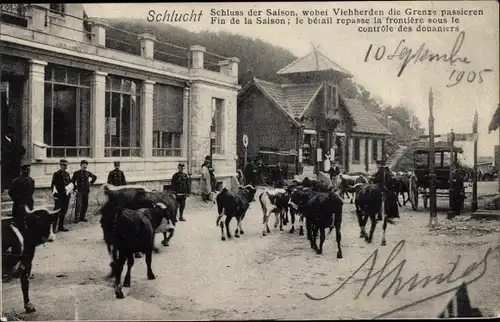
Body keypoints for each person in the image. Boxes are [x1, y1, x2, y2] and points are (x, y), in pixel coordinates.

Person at [8, 161, 35, 235]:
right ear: (22, 170)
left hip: (29, 205)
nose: (27, 171)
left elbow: (32, 190)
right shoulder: (16, 181)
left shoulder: (31, 180)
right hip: (19, 206)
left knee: (28, 221)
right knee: (19, 222)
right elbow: (10, 193)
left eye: (29, 170)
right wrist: (18, 200)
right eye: (26, 170)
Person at [1, 126, 26, 193]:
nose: (12, 135)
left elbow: (23, 149)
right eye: (10, 133)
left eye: (12, 133)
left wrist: (19, 157)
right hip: (6, 164)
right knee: (4, 177)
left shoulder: (15, 140)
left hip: (15, 164)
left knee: (15, 178)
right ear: (6, 134)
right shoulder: (2, 142)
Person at [50, 159, 72, 232]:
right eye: (64, 165)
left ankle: (61, 226)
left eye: (66, 165)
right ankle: (53, 228)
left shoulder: (67, 174)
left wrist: (71, 189)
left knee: (64, 211)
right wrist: (55, 196)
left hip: (66, 195)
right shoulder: (56, 174)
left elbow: (69, 183)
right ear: (60, 165)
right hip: (59, 196)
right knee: (56, 211)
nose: (65, 167)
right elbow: (53, 185)